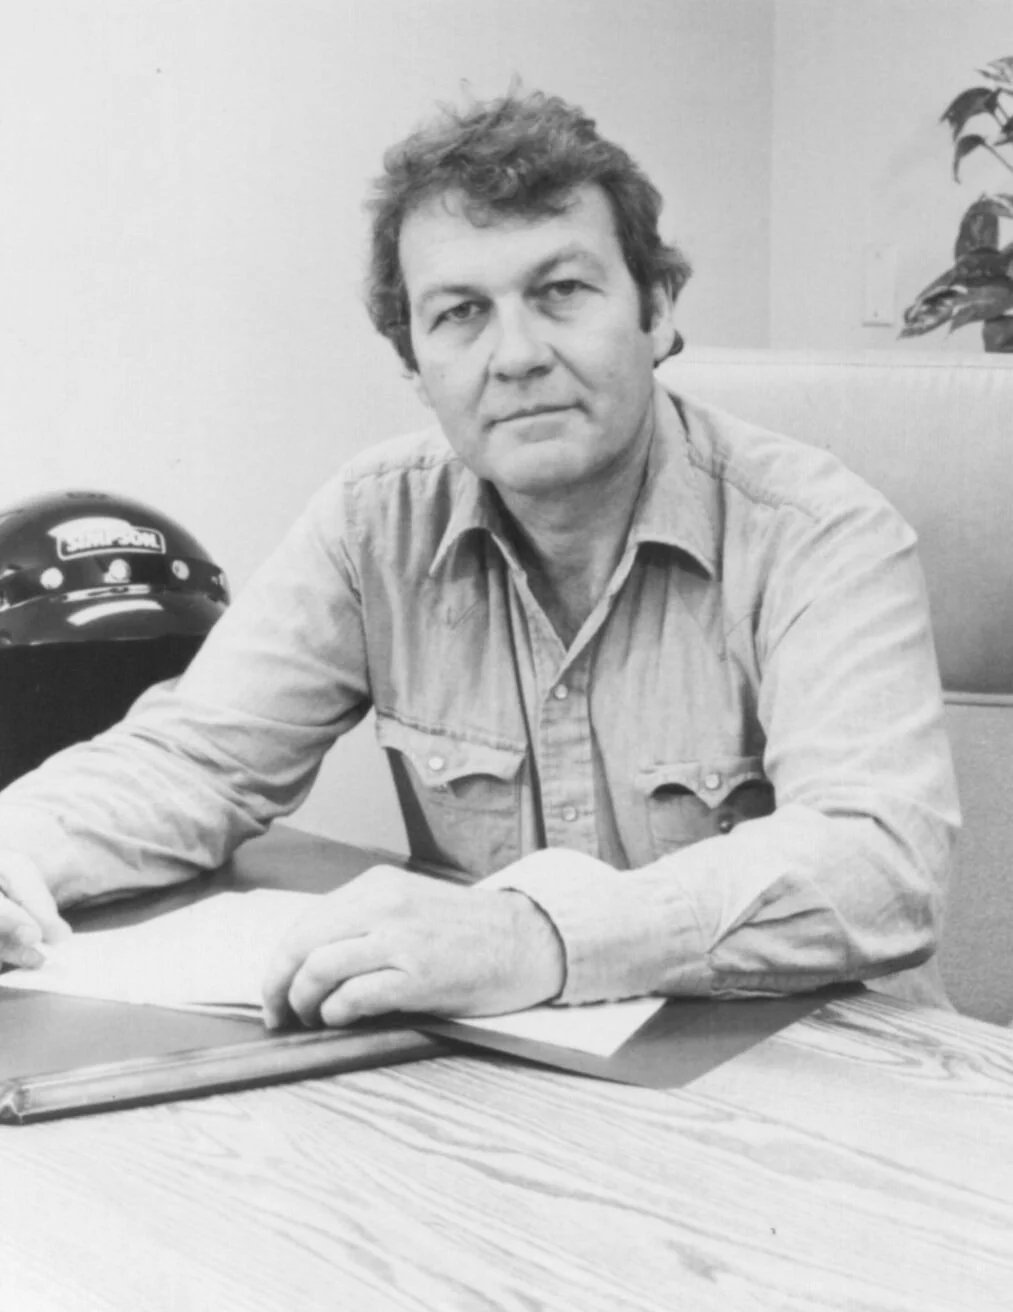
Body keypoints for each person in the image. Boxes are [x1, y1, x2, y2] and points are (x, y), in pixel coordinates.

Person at [0, 90, 958, 1029]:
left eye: (561, 291)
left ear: (657, 309)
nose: (516, 355)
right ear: (415, 364)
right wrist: (18, 849)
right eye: (460, 312)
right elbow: (195, 760)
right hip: (501, 1089)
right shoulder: (374, 522)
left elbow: (877, 860)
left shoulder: (818, 531)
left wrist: (531, 935)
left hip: (811, 1072)